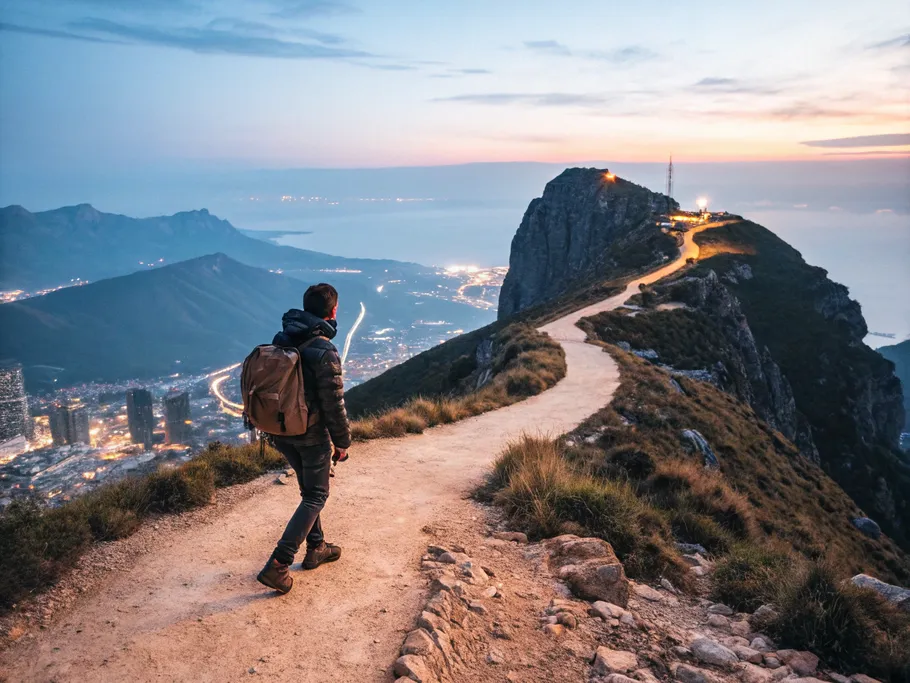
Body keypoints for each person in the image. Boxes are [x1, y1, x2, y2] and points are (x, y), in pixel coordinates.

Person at [257, 283, 352, 594]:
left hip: (280, 431)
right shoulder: (325, 350)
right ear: (333, 311)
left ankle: (317, 547)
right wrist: (343, 442)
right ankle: (279, 564)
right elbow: (333, 404)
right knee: (316, 495)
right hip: (311, 434)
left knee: (308, 489)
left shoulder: (282, 338)